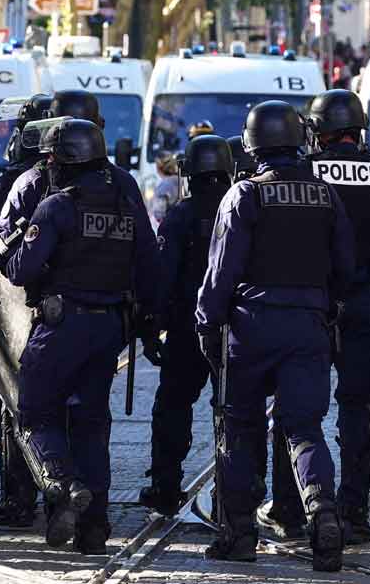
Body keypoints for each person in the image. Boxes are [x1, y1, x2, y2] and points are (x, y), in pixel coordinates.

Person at [196, 101, 355, 571]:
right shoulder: (327, 195)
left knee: (240, 431)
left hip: (250, 328)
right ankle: (323, 512)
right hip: (307, 326)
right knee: (305, 429)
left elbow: (220, 273)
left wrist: (207, 324)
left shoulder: (243, 195)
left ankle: (239, 534)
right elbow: (346, 269)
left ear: (251, 145)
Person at [265, 90, 370, 545]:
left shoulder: (304, 172)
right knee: (359, 409)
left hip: (309, 305)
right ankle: (353, 513)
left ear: (317, 131)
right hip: (364, 305)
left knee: (294, 411)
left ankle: (290, 507)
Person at [6, 118, 159, 553]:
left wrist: (19, 248)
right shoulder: (127, 205)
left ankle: (62, 483)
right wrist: (147, 323)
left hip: (60, 327)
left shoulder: (57, 206)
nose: (48, 165)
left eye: (52, 158)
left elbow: (22, 271)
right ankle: (94, 529)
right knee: (92, 425)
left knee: (35, 414)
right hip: (109, 328)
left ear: (66, 160)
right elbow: (150, 266)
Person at [137, 135, 234, 516]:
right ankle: (242, 488)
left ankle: (165, 486)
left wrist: (149, 327)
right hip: (237, 328)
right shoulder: (243, 206)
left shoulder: (181, 215)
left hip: (188, 328)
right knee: (239, 410)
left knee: (174, 406)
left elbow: (163, 277)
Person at [0, 93, 52, 529]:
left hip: (15, 313)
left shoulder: (12, 182)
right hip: (77, 314)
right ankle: (73, 499)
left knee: (11, 406)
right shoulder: (110, 181)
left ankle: (19, 499)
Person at [0, 90, 143, 238]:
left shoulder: (31, 183)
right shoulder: (123, 182)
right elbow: (147, 250)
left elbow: (2, 246)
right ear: (98, 127)